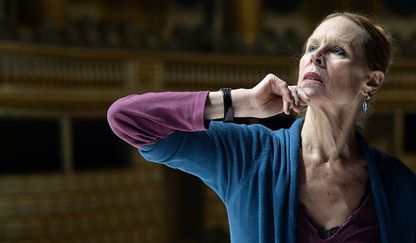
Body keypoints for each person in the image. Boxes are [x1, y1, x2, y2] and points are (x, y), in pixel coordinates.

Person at [107, 12, 416, 243]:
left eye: (338, 51)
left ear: (371, 81)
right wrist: (240, 103)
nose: (316, 57)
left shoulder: (398, 184)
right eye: (311, 48)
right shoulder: (248, 154)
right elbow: (128, 119)